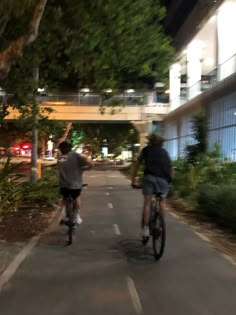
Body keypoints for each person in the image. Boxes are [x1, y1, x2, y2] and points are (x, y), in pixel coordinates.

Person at [131, 133, 173, 241]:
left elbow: (137, 165)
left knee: (147, 203)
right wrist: (170, 181)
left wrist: (133, 180)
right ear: (161, 143)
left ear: (149, 141)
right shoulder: (165, 152)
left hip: (149, 178)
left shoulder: (146, 150)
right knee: (162, 201)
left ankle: (145, 230)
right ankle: (160, 226)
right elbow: (171, 168)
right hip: (163, 179)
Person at [58, 141, 93, 225]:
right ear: (70, 148)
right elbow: (89, 163)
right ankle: (77, 216)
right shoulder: (76, 156)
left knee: (64, 198)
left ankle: (62, 216)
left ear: (61, 149)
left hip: (64, 185)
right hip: (76, 184)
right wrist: (86, 168)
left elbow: (60, 169)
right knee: (76, 197)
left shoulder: (62, 158)